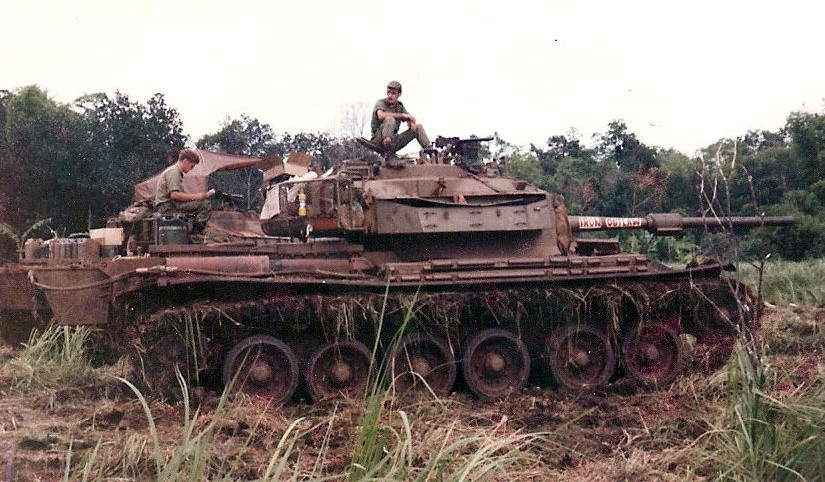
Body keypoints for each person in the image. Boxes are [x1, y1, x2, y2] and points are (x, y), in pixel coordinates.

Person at [154, 149, 214, 232]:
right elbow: (174, 195)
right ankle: (195, 233)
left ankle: (191, 230)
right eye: (192, 166)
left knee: (200, 204)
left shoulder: (174, 171)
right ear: (185, 161)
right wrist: (197, 197)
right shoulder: (174, 172)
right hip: (168, 206)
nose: (191, 169)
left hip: (169, 204)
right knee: (205, 205)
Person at [370, 80, 432, 159]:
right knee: (390, 119)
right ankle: (387, 152)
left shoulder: (400, 106)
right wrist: (402, 115)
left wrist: (411, 123)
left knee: (418, 127)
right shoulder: (381, 103)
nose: (390, 96)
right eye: (388, 92)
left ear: (399, 94)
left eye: (393, 93)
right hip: (378, 140)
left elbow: (409, 118)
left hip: (393, 141)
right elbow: (381, 115)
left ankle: (430, 151)